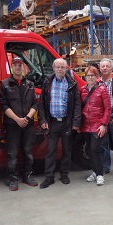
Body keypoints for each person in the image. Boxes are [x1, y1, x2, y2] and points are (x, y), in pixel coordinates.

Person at [38, 58, 81, 189]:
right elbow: (42, 104)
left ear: (66, 68)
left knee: (67, 150)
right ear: (53, 67)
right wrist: (43, 120)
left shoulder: (72, 83)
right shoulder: (47, 82)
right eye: (58, 67)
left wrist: (75, 122)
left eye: (62, 67)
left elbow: (77, 104)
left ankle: (64, 174)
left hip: (66, 122)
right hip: (52, 123)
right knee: (51, 150)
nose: (60, 69)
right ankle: (49, 177)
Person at [0, 56, 39, 191]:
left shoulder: (30, 84)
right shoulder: (4, 84)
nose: (18, 67)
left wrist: (27, 118)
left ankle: (27, 176)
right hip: (12, 125)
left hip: (27, 124)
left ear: (23, 67)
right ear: (12, 67)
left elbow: (35, 103)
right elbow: (3, 105)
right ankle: (13, 178)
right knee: (12, 153)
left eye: (20, 65)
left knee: (28, 151)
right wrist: (17, 119)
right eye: (15, 65)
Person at [79, 66, 110, 186]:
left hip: (98, 125)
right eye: (88, 75)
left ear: (97, 77)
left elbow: (108, 108)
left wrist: (103, 124)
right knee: (88, 150)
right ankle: (94, 171)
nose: (90, 77)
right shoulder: (82, 90)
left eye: (92, 75)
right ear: (85, 77)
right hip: (86, 126)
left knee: (94, 149)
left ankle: (100, 174)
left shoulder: (102, 89)